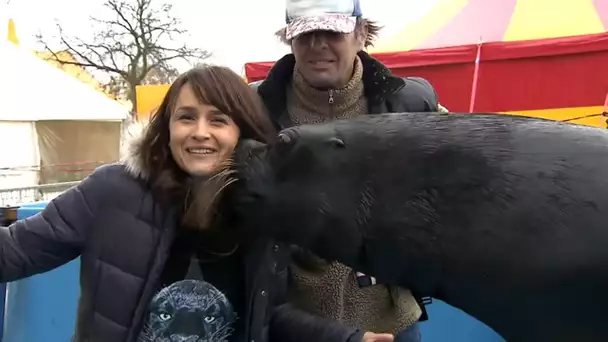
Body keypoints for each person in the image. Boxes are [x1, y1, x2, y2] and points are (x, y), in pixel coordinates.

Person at [0, 65, 391, 342]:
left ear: (243, 133)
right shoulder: (112, 192)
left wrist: (348, 339)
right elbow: (15, 251)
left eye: (218, 120)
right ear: (167, 128)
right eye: (186, 117)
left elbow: (267, 316)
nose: (200, 133)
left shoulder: (263, 215)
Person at [250, 0, 448, 341]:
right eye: (306, 33)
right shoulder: (256, 109)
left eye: (332, 31)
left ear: (360, 33)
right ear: (290, 39)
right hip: (296, 326)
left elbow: (460, 182)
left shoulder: (409, 103)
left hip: (393, 322)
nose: (318, 45)